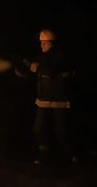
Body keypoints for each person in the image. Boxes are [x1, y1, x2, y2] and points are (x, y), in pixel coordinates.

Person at [17, 29, 77, 165]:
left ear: (52, 43)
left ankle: (69, 155)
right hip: (43, 100)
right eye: (41, 43)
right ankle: (44, 154)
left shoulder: (60, 56)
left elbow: (50, 70)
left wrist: (33, 66)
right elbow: (37, 73)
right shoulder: (41, 57)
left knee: (62, 130)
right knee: (38, 129)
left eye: (45, 43)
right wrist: (23, 72)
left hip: (59, 100)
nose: (42, 45)